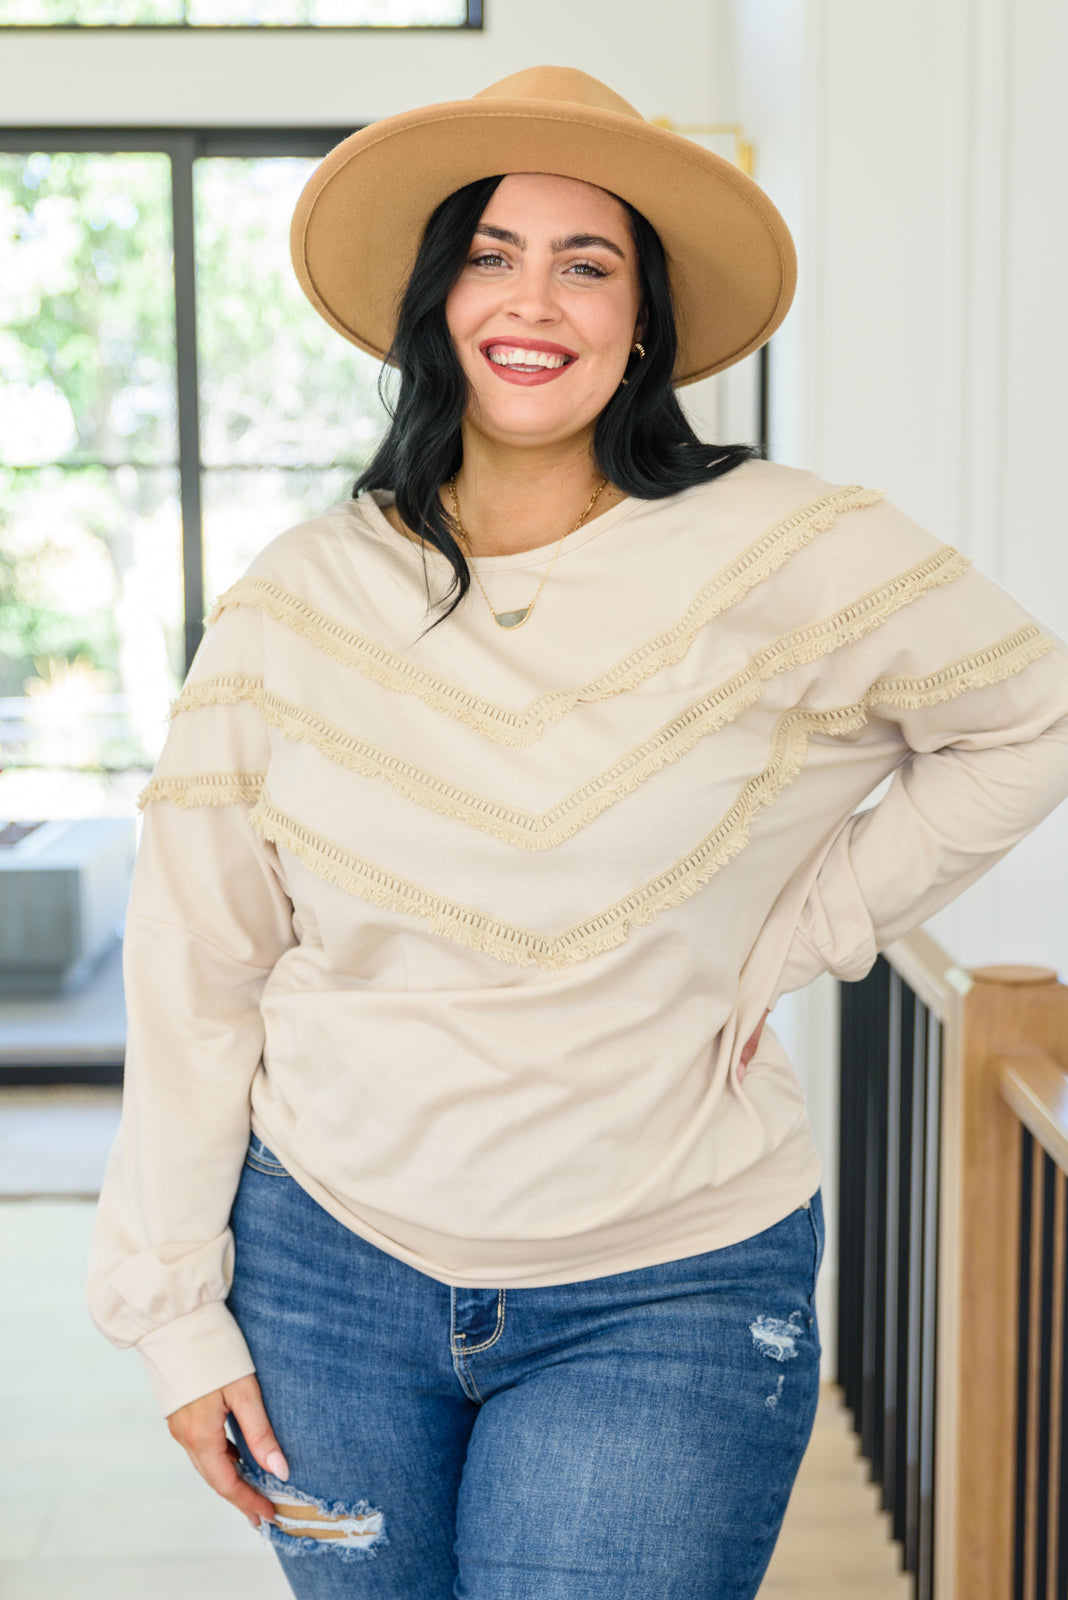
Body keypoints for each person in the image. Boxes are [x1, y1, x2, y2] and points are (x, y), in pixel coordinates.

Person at [88, 66, 1068, 1600]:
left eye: (588, 261)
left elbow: (1030, 715)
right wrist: (174, 1314)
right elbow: (198, 961)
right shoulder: (302, 596)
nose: (532, 297)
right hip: (325, 1277)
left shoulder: (788, 546)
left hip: (669, 1282)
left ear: (643, 323)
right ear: (437, 300)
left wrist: (812, 926)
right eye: (490, 252)